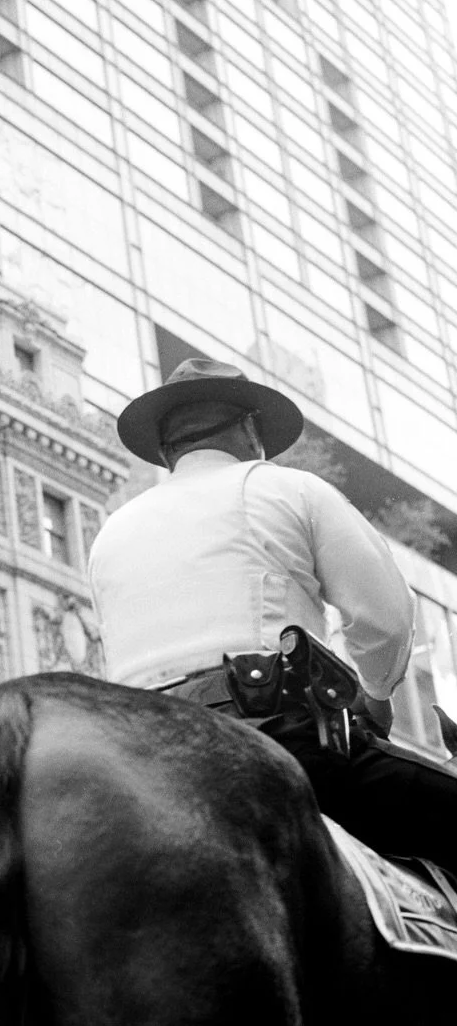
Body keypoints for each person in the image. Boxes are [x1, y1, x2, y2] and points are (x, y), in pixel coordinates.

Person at [88, 357, 457, 872]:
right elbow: (386, 617)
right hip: (272, 733)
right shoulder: (289, 488)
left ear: (167, 448)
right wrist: (375, 697)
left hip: (134, 758)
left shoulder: (110, 531)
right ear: (248, 429)